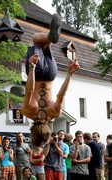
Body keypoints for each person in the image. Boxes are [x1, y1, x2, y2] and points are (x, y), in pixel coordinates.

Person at [21, 13, 80, 147]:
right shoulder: (27, 111)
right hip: (36, 73)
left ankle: (51, 37)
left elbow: (61, 94)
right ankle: (50, 36)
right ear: (32, 132)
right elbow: (29, 90)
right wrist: (32, 68)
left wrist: (69, 74)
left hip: (51, 74)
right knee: (34, 39)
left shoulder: (54, 113)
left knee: (46, 45)